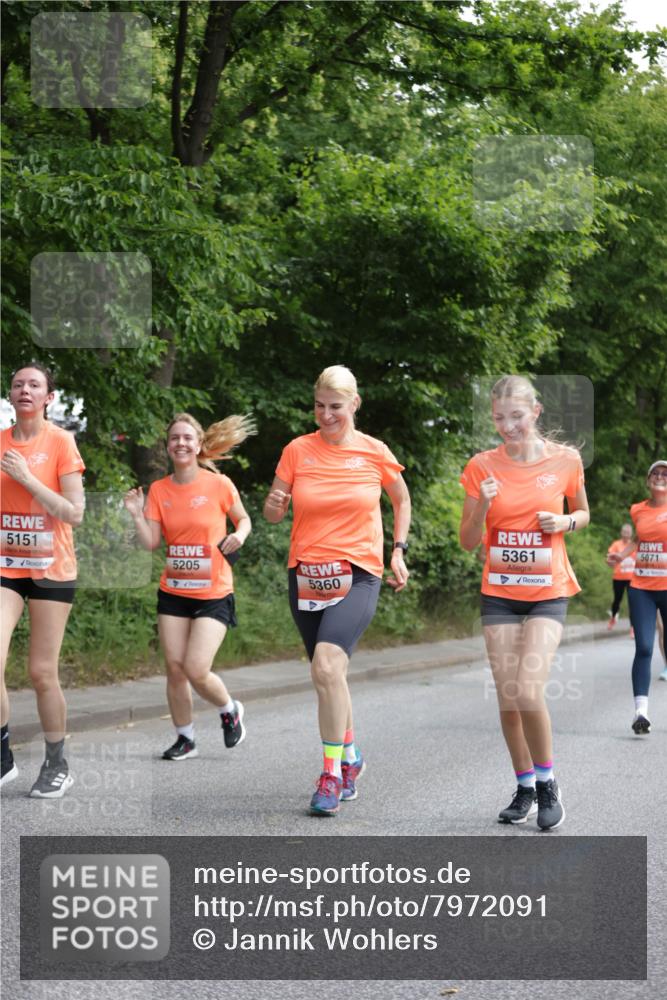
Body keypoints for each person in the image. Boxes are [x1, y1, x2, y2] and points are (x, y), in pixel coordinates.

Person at [264, 366, 411, 816]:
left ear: (355, 404)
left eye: (335, 407)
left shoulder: (374, 452)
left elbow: (401, 499)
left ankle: (331, 774)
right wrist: (273, 506)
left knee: (327, 667)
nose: (326, 415)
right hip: (306, 573)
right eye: (319, 406)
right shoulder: (297, 450)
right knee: (328, 676)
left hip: (359, 572)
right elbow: (274, 513)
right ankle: (352, 757)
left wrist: (398, 550)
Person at [459, 375, 589, 831]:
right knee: (509, 699)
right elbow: (467, 540)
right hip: (499, 594)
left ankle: (549, 783)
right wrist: (481, 507)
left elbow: (584, 512)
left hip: (547, 592)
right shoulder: (481, 466)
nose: (507, 426)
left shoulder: (566, 460)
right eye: (498, 417)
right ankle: (525, 786)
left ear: (535, 412)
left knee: (528, 689)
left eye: (516, 416)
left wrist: (565, 522)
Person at [124, 413, 253, 760]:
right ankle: (185, 738)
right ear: (168, 447)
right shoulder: (160, 490)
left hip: (213, 592)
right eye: (174, 439)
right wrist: (137, 513)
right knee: (175, 668)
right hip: (174, 592)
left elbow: (243, 519)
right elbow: (152, 541)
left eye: (186, 438)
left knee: (196, 668)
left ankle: (229, 709)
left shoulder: (219, 484)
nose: (180, 443)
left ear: (198, 445)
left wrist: (238, 536)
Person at [1, 363, 85, 797]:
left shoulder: (61, 442)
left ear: (48, 397)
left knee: (40, 672)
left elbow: (74, 512)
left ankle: (57, 762)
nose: (25, 390)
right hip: (6, 568)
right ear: (11, 396)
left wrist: (26, 478)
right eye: (18, 384)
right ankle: (2, 754)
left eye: (34, 384)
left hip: (52, 570)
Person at [608, 460, 667, 732]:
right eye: (655, 473)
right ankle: (640, 713)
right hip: (641, 586)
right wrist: (621, 554)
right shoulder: (638, 510)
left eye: (665, 474)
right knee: (644, 647)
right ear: (648, 480)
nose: (659, 476)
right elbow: (639, 541)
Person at [605, 523, 636, 630]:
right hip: (618, 578)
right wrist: (608, 561)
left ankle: (633, 627)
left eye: (628, 532)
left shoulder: (634, 545)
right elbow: (609, 557)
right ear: (621, 533)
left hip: (632, 579)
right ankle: (613, 618)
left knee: (633, 603)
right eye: (624, 532)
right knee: (617, 600)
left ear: (631, 534)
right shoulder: (616, 544)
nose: (626, 534)